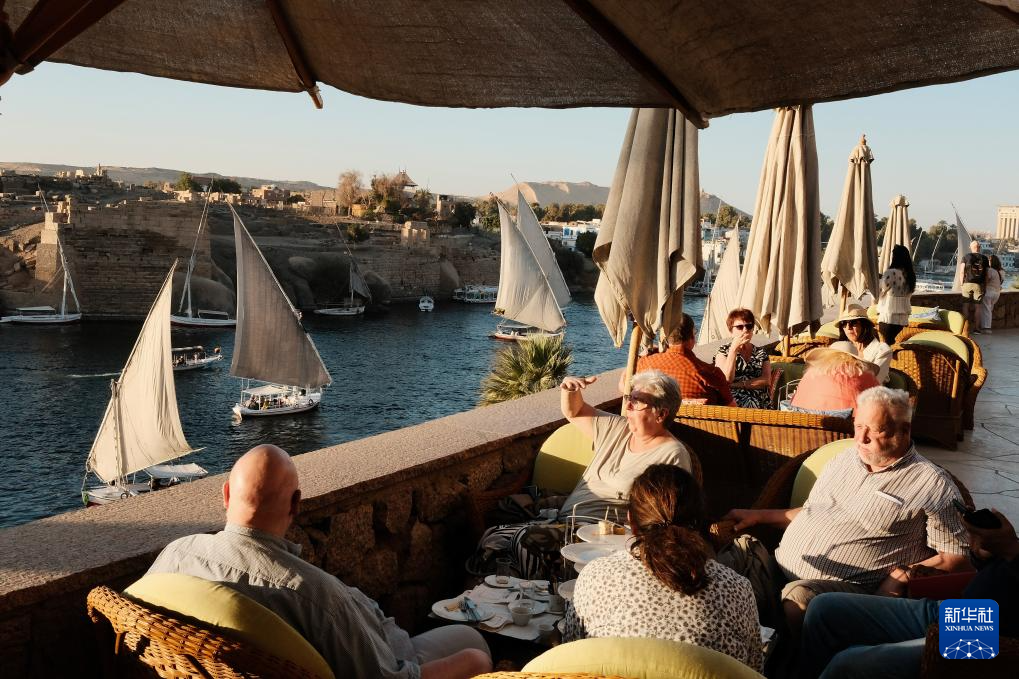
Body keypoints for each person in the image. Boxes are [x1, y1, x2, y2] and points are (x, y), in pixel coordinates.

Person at [147, 445, 492, 679]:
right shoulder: (314, 596)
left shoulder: (177, 553)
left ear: (225, 494)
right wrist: (473, 663)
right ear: (296, 504)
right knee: (474, 645)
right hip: (391, 661)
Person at [723, 386, 970, 638]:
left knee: (799, 598)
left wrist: (903, 575)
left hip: (845, 593)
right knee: (729, 560)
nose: (861, 438)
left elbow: (956, 557)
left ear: (904, 430)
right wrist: (759, 515)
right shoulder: (844, 459)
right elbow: (811, 512)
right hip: (778, 568)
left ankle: (789, 654)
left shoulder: (933, 485)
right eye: (858, 425)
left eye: (875, 429)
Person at [473, 370, 693, 578]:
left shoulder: (672, 454)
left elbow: (666, 515)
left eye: (637, 401)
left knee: (525, 540)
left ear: (660, 413)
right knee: (493, 537)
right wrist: (570, 390)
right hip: (566, 518)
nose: (627, 405)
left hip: (603, 534)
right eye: (629, 397)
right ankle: (503, 596)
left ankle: (538, 596)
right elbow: (575, 412)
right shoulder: (618, 428)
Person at [566, 464, 763, 671]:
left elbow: (570, 661)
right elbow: (754, 670)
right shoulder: (737, 589)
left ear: (632, 523)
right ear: (700, 523)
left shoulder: (595, 578)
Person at [800, 508, 1018, 678]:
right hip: (964, 610)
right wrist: (988, 556)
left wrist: (1011, 549)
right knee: (824, 608)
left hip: (990, 636)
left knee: (849, 664)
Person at [630, 313, 736, 406]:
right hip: (697, 423)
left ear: (666, 337)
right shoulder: (710, 373)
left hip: (656, 421)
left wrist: (646, 354)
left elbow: (627, 384)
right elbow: (732, 408)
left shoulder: (644, 363)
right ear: (692, 337)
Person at [784, 342, 880, 415]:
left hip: (801, 427)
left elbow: (794, 402)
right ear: (856, 360)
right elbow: (880, 404)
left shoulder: (811, 373)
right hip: (846, 431)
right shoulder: (862, 375)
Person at [714, 308, 772, 409]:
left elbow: (766, 380)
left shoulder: (761, 352)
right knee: (748, 404)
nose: (745, 330)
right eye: (740, 327)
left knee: (754, 403)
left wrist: (738, 385)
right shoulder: (723, 352)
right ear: (731, 331)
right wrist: (733, 350)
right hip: (733, 401)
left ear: (752, 329)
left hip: (760, 399)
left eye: (749, 326)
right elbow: (727, 379)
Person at [835, 304, 891, 383]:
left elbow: (874, 381)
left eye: (853, 322)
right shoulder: (841, 349)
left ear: (865, 326)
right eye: (843, 323)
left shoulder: (883, 350)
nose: (848, 327)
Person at [876, 244, 916, 345]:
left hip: (888, 318)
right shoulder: (910, 275)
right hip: (902, 321)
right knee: (894, 347)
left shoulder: (891, 272)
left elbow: (880, 290)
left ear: (894, 257)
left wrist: (878, 279)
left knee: (884, 348)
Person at [960, 240, 989, 334]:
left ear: (970, 247)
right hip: (979, 285)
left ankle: (965, 329)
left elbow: (962, 272)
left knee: (966, 306)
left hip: (967, 283)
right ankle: (977, 329)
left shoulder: (965, 257)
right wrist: (985, 286)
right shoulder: (984, 258)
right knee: (978, 307)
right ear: (979, 248)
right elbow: (986, 275)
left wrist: (961, 284)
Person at [981, 254, 1004, 334]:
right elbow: (1001, 282)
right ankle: (985, 327)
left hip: (989, 292)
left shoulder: (990, 270)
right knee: (989, 310)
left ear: (991, 262)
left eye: (989, 260)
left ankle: (987, 328)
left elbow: (986, 281)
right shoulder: (1002, 271)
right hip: (997, 293)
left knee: (986, 310)